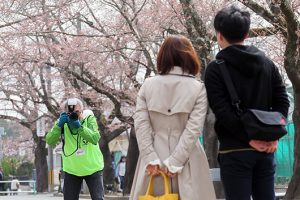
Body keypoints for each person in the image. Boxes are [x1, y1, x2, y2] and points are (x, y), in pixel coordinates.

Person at [204, 6, 290, 200]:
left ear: (219, 35)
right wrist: (273, 136)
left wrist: (248, 139)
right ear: (246, 33)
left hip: (235, 150)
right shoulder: (268, 64)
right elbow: (282, 101)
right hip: (267, 150)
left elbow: (223, 111)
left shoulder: (215, 69)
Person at [130, 35, 216, 200]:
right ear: (189, 56)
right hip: (188, 159)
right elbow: (193, 130)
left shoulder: (147, 85)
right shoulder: (198, 88)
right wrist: (175, 161)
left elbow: (140, 125)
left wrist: (150, 158)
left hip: (154, 156)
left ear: (162, 57)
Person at [46, 98, 104, 200]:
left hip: (93, 167)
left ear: (82, 110)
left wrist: (79, 127)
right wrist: (59, 126)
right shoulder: (62, 122)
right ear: (65, 113)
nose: (74, 115)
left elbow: (95, 138)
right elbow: (50, 141)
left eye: (76, 112)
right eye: (70, 112)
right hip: (72, 169)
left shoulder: (89, 119)